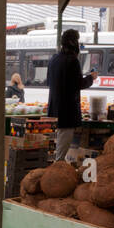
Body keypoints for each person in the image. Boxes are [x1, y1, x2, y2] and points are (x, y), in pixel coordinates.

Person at [47, 28, 96, 161]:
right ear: (73, 42)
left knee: (56, 147)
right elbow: (78, 84)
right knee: (61, 153)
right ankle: (57, 173)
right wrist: (91, 78)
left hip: (54, 109)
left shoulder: (53, 59)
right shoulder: (72, 61)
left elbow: (49, 82)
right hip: (67, 112)